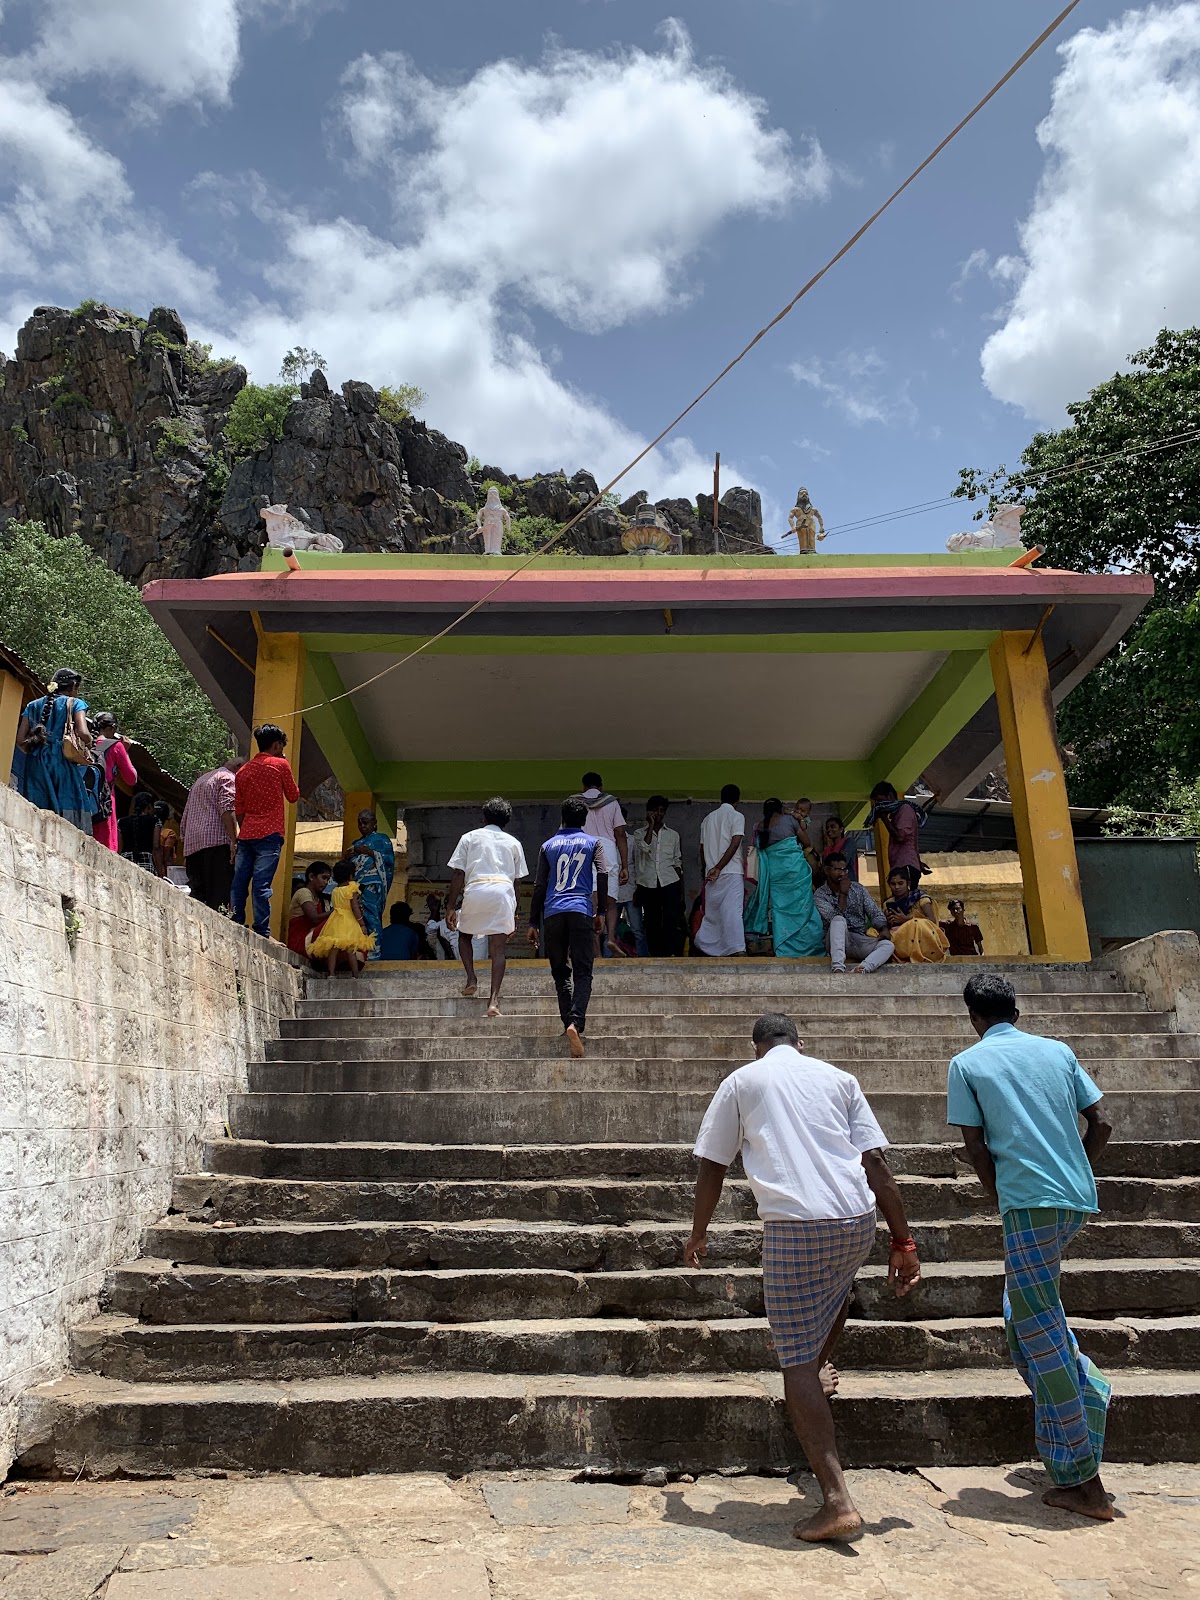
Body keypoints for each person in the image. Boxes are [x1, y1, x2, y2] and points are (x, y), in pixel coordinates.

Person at [687, 1013, 921, 1542]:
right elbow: (877, 1167)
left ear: (756, 1049)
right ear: (801, 1043)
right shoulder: (839, 1079)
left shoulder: (743, 1082)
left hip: (796, 1228)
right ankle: (817, 1373)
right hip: (855, 1222)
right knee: (834, 1291)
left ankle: (836, 1500)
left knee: (793, 1359)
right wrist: (903, 1241)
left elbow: (713, 1164)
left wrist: (698, 1233)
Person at [948, 974, 1114, 1522]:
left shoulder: (968, 1064)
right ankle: (1070, 1424)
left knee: (1037, 1326)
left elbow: (975, 1145)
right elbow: (1102, 1122)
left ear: (974, 1017)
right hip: (1073, 1197)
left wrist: (1002, 1195)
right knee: (1024, 1315)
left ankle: (1083, 1464)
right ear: (1016, 1010)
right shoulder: (1058, 1051)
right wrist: (1077, 1169)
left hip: (1028, 1203)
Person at [528, 796, 607, 1057]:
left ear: (561, 818)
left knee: (560, 972)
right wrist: (602, 912)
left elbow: (540, 885)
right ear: (585, 820)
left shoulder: (547, 845)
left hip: (553, 913)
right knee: (583, 971)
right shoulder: (594, 843)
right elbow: (603, 875)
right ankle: (576, 1022)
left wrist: (532, 922)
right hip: (581, 911)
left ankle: (568, 1023)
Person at [447, 796, 528, 1016]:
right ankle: (493, 1002)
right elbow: (518, 882)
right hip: (503, 893)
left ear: (483, 817)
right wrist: (514, 912)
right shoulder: (514, 843)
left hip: (475, 889)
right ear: (507, 820)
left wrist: (451, 907)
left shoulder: (469, 838)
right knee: (498, 949)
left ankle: (471, 978)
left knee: (464, 935)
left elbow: (458, 873)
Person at [231, 723, 300, 938]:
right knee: (262, 884)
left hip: (247, 834)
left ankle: (236, 920)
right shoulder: (280, 765)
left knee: (240, 881)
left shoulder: (243, 771)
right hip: (270, 835)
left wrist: (246, 828)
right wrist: (285, 763)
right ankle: (261, 929)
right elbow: (293, 795)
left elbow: (239, 808)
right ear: (277, 745)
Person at [15, 667, 96, 830]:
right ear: (73, 687)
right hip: (61, 761)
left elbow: (20, 740)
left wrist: (35, 749)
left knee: (37, 804)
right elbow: (82, 731)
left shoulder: (32, 705)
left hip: (36, 761)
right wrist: (89, 741)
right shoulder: (75, 703)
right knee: (66, 805)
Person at [744, 798, 825, 958]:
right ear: (780, 808)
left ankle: (785, 949)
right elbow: (806, 841)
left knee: (780, 911)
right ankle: (810, 948)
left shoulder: (759, 826)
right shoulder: (789, 820)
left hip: (775, 875)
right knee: (804, 908)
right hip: (795, 872)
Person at [813, 854, 895, 974]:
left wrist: (883, 928)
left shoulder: (858, 889)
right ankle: (838, 968)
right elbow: (833, 917)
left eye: (844, 869)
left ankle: (862, 969)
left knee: (888, 945)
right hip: (836, 941)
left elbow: (875, 912)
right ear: (827, 870)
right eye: (837, 870)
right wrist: (843, 893)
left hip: (859, 939)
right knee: (838, 920)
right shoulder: (820, 895)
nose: (842, 874)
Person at [181, 757, 244, 911]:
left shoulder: (199, 782)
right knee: (219, 900)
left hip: (193, 847)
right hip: (217, 845)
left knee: (197, 899)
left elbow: (185, 818)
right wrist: (234, 840)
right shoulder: (228, 777)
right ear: (238, 768)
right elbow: (227, 810)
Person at [694, 784, 747, 956]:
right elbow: (736, 841)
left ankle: (709, 948)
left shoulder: (707, 819)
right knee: (732, 912)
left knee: (713, 915)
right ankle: (737, 949)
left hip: (711, 875)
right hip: (730, 871)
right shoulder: (737, 816)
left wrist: (709, 868)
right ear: (738, 800)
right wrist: (718, 867)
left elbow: (702, 850)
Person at [580, 772, 628, 956]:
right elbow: (620, 833)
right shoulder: (611, 802)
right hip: (607, 849)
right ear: (601, 787)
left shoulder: (576, 802)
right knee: (610, 901)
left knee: (591, 902)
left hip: (584, 848)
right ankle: (610, 938)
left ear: (583, 787)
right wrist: (624, 865)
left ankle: (596, 949)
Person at [633, 795, 684, 957]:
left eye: (662, 811)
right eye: (656, 810)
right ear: (649, 812)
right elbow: (645, 847)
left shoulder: (673, 835)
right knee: (651, 921)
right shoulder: (639, 834)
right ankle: (655, 955)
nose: (659, 814)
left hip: (669, 882)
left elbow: (677, 861)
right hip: (648, 884)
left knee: (670, 920)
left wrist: (679, 887)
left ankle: (670, 954)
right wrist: (651, 825)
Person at [307, 858, 374, 977]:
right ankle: (355, 975)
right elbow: (354, 907)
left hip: (334, 921)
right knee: (351, 949)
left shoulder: (335, 890)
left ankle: (331, 974)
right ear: (351, 875)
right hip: (348, 921)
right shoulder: (352, 889)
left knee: (333, 948)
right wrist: (362, 923)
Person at [347, 808, 395, 962]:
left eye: (366, 822)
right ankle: (361, 952)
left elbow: (389, 861)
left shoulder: (382, 839)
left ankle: (375, 953)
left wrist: (370, 852)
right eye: (359, 823)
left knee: (372, 918)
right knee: (357, 918)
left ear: (374, 824)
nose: (362, 826)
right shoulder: (355, 843)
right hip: (356, 887)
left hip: (372, 885)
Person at [867, 781, 927, 892]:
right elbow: (912, 842)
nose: (880, 805)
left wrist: (883, 818)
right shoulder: (896, 814)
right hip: (902, 865)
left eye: (881, 801)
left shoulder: (904, 809)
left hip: (905, 865)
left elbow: (900, 837)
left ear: (889, 796)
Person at [90, 713, 137, 853]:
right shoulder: (116, 746)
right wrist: (125, 752)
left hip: (84, 801)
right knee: (105, 846)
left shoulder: (86, 742)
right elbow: (131, 778)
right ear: (113, 728)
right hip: (104, 802)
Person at [885, 869, 950, 963]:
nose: (897, 887)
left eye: (900, 883)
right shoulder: (888, 903)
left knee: (916, 923)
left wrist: (907, 920)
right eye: (893, 884)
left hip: (922, 936)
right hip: (900, 938)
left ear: (908, 883)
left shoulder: (921, 898)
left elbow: (932, 920)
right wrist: (889, 921)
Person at [287, 860, 331, 960]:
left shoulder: (319, 898)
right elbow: (314, 918)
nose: (326, 883)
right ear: (311, 877)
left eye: (328, 879)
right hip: (300, 942)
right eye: (323, 878)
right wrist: (336, 912)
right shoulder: (303, 892)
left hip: (311, 940)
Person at [118, 791, 163, 876]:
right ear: (149, 806)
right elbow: (156, 847)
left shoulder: (121, 822)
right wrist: (160, 871)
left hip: (125, 863)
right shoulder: (155, 822)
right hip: (146, 863)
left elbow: (119, 848)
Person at [819, 815, 859, 883]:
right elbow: (824, 870)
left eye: (833, 827)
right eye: (827, 828)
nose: (829, 830)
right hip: (832, 886)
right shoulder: (827, 850)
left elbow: (841, 863)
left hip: (849, 884)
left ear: (841, 829)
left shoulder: (849, 842)